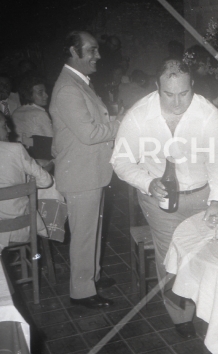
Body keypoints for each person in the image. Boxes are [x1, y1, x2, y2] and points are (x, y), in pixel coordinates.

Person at [111, 58, 218, 338]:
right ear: (157, 88)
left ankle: (206, 306)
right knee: (171, 258)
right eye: (169, 94)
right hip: (159, 201)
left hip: (201, 196)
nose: (177, 103)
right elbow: (120, 161)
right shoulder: (138, 115)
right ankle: (181, 317)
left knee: (206, 254)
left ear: (192, 86)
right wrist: (147, 181)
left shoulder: (207, 114)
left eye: (184, 93)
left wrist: (216, 199)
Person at [49, 30, 121, 309]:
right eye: (91, 50)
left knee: (93, 230)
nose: (98, 55)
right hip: (80, 173)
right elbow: (90, 134)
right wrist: (120, 123)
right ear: (73, 51)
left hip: (91, 170)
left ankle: (91, 277)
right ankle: (82, 292)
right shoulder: (68, 88)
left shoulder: (78, 83)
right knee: (84, 235)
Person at [0, 112, 52, 249]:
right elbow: (46, 181)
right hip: (17, 228)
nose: (10, 130)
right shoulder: (15, 149)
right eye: (4, 126)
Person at [12, 75, 54, 143]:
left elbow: (21, 140)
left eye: (45, 91)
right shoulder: (40, 113)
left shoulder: (15, 112)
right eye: (40, 93)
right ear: (29, 94)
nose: (46, 95)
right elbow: (52, 140)